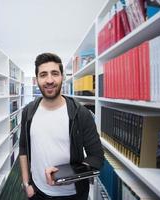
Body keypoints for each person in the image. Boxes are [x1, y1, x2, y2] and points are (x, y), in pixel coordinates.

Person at [19, 52, 104, 200]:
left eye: (55, 73)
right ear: (37, 79)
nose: (49, 80)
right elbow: (23, 148)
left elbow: (96, 158)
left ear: (62, 77)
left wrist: (65, 175)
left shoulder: (81, 113)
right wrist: (27, 184)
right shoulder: (29, 111)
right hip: (37, 192)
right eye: (43, 74)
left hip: (71, 195)